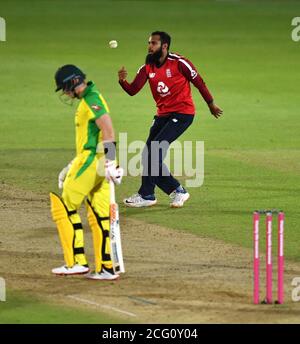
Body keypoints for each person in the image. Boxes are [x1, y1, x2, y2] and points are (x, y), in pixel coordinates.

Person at [118, 31, 223, 208]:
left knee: (153, 152)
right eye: (149, 43)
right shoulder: (147, 67)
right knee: (147, 155)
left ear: (164, 46)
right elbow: (133, 90)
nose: (149, 46)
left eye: (153, 43)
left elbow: (199, 83)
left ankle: (147, 194)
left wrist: (211, 104)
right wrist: (122, 81)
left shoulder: (180, 63)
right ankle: (173, 191)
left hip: (183, 114)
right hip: (162, 114)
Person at [50, 64, 123, 280]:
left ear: (73, 82)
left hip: (93, 160)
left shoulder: (91, 99)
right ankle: (106, 267)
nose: (64, 93)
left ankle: (76, 262)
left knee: (64, 206)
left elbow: (108, 130)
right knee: (99, 214)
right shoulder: (90, 97)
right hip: (95, 161)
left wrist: (110, 162)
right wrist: (73, 163)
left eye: (64, 87)